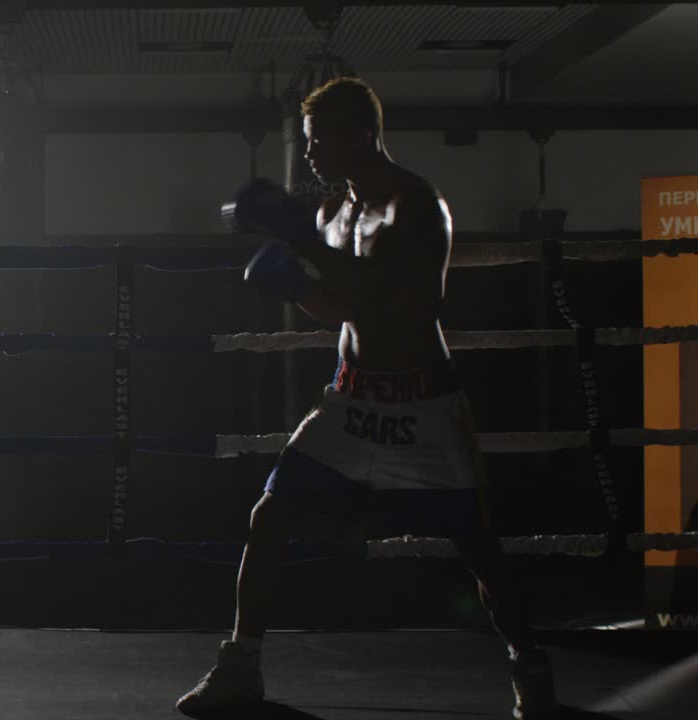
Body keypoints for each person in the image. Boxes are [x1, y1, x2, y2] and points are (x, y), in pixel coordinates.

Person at [177, 77, 555, 720]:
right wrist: (295, 285)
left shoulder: (416, 205)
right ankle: (241, 665)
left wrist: (297, 241)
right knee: (270, 517)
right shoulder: (331, 213)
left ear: (362, 134)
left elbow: (409, 307)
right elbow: (345, 310)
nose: (312, 155)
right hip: (351, 402)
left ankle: (530, 667)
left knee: (479, 550)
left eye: (321, 140)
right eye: (307, 143)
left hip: (424, 407)